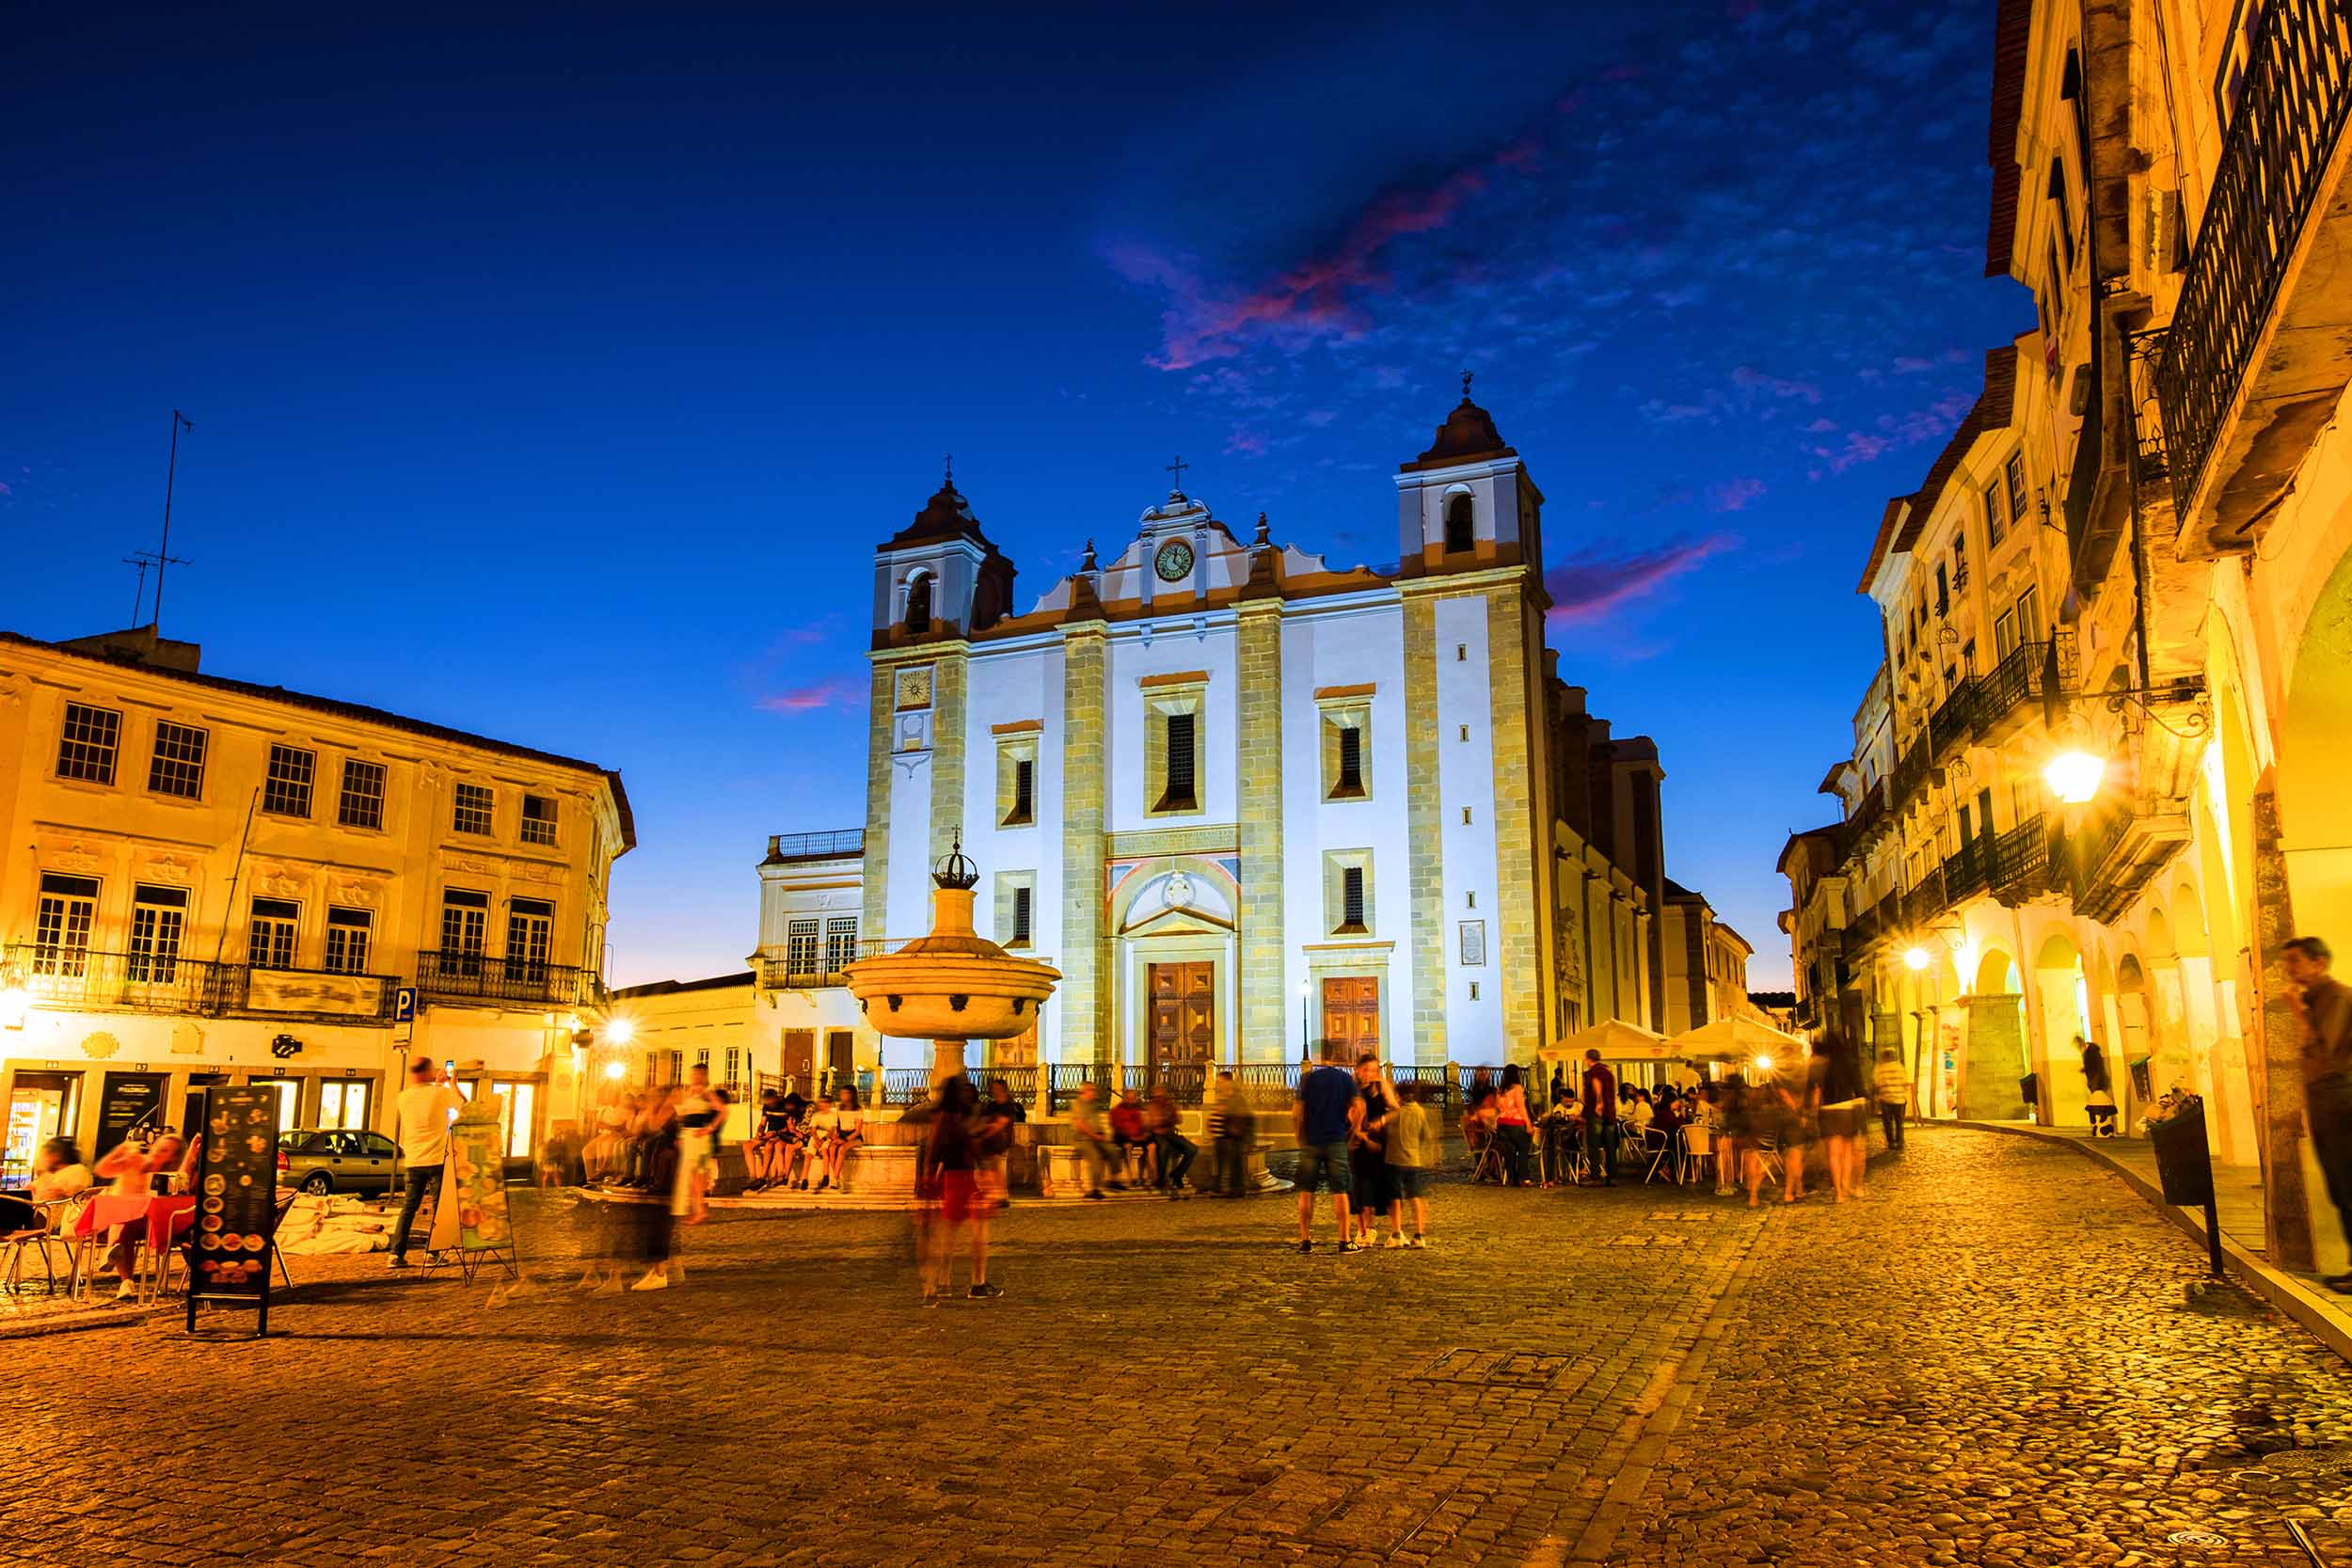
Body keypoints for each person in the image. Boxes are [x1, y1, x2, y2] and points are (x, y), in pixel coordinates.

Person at [2284, 936, 2352, 1291]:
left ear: (2319, 962)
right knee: (2338, 1186)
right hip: (2325, 1103)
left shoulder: (2337, 996)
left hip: (2341, 1100)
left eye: (2295, 961)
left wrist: (2298, 1013)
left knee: (2349, 1182)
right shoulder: (2313, 999)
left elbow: (2328, 1052)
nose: (2289, 970)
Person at [917, 1077, 1001, 1303]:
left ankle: (943, 1282)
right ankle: (977, 1283)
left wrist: (928, 1176)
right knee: (978, 1233)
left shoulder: (942, 1118)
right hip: (967, 1178)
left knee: (949, 1233)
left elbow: (933, 1150)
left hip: (952, 1179)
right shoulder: (961, 1119)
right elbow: (977, 1148)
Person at [389, 1056, 466, 1270]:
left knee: (408, 1208)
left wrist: (437, 1084)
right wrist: (451, 1083)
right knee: (437, 1209)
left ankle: (396, 1254)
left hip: (413, 1160)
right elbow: (461, 1104)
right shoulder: (440, 1093)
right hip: (436, 1158)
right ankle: (432, 1254)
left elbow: (426, 1106)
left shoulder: (403, 1097)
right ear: (428, 1071)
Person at [1293, 1040, 1362, 1253]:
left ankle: (1305, 1240)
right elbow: (1359, 1107)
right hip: (1336, 1140)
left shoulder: (1308, 1079)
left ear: (1317, 1056)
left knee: (1306, 1191)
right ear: (1335, 1056)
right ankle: (1344, 1240)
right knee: (1340, 1191)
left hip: (1311, 1141)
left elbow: (1296, 1112)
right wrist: (1354, 1131)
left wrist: (1299, 1136)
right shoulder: (1345, 1079)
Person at [1349, 1056, 1398, 1243]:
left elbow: (1395, 1109)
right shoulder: (1352, 1087)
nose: (1370, 1074)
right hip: (1358, 1140)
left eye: (1374, 1070)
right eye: (1366, 1069)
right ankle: (1361, 1230)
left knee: (1372, 1184)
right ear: (1358, 1070)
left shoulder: (1380, 1086)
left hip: (1377, 1140)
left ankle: (1371, 1228)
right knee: (1357, 1186)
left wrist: (1381, 1121)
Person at [1817, 1035, 1868, 1204]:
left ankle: (1838, 1192)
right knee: (1846, 1153)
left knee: (1833, 1154)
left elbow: (1815, 1088)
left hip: (1827, 1110)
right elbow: (1860, 1089)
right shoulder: (1850, 1063)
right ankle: (1846, 1186)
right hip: (1846, 1109)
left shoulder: (1822, 1065)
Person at [1387, 1081, 1438, 1246]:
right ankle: (1419, 1234)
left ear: (1399, 1096)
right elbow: (1425, 1136)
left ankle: (1396, 1233)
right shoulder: (1420, 1112)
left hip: (1395, 1159)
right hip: (1414, 1159)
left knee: (1395, 1197)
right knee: (1415, 1196)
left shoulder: (1397, 1113)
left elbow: (1385, 1130)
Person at [672, 1065, 723, 1224]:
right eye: (692, 1074)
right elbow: (682, 1116)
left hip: (700, 1139)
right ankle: (699, 1211)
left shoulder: (706, 1093)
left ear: (703, 1076)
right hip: (688, 1137)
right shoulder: (689, 1093)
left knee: (698, 1175)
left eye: (696, 1074)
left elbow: (723, 1111)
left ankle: (700, 1211)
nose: (693, 1077)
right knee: (692, 1176)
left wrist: (708, 1129)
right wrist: (680, 1135)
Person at [1205, 1070, 1257, 1196]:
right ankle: (1220, 1187)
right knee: (1224, 1163)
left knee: (1235, 1164)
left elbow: (1242, 1118)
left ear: (1229, 1083)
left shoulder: (1236, 1098)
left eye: (1220, 1082)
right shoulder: (1225, 1098)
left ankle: (1235, 1189)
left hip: (1234, 1137)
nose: (1218, 1085)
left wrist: (1247, 1138)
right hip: (1225, 1136)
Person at [1068, 1082, 1122, 1198]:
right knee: (1095, 1157)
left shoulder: (1093, 1104)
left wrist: (1102, 1134)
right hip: (1083, 1139)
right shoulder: (1078, 1104)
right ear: (1085, 1091)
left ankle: (1113, 1180)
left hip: (1096, 1137)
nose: (1094, 1092)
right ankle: (1094, 1188)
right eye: (1092, 1090)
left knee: (1113, 1150)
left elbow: (1097, 1121)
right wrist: (1095, 1135)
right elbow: (1080, 1124)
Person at [977, 1078, 1025, 1207]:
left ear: (1002, 1089)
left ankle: (1001, 1195)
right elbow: (986, 1121)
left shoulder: (1008, 1105)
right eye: (993, 1088)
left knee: (996, 1166)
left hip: (1000, 1140)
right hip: (992, 1140)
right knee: (993, 1167)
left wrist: (985, 1133)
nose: (994, 1090)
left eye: (996, 1088)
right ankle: (997, 1193)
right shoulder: (992, 1105)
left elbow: (1000, 1124)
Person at [1145, 1085, 1195, 1198]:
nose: (1160, 1097)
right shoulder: (1152, 1105)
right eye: (1158, 1094)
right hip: (1157, 1135)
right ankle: (1161, 1180)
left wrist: (1167, 1117)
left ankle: (1177, 1174)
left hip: (1170, 1134)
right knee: (1164, 1148)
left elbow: (1179, 1119)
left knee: (1192, 1149)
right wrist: (1168, 1118)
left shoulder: (1170, 1104)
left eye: (1162, 1094)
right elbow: (1155, 1123)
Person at [815, 1085, 866, 1194]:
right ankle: (837, 1179)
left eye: (846, 1093)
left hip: (854, 1136)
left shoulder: (858, 1109)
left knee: (842, 1149)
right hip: (841, 1134)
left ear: (852, 1095)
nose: (843, 1096)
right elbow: (835, 1125)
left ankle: (835, 1178)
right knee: (832, 1148)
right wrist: (835, 1137)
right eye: (842, 1093)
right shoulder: (839, 1108)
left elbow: (858, 1131)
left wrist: (845, 1140)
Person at [1581, 1049, 1618, 1187]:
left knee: (1594, 1144)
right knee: (1610, 1145)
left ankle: (1595, 1175)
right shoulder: (1608, 1072)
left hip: (1597, 1112)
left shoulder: (1593, 1073)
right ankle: (1612, 1175)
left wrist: (1599, 1102)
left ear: (1589, 1059)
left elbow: (1597, 1085)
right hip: (1610, 1113)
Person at [1493, 1064, 1534, 1187]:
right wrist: (1528, 1123)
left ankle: (1512, 1178)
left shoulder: (1500, 1090)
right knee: (1523, 1149)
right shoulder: (1517, 1088)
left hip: (1502, 1123)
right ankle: (1524, 1177)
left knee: (1509, 1151)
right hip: (1516, 1122)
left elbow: (1497, 1107)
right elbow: (1521, 1106)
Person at [1109, 1088, 1153, 1188]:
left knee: (1152, 1146)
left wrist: (1143, 1133)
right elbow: (1117, 1128)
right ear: (1124, 1099)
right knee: (1128, 1146)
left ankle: (1152, 1176)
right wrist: (1133, 1136)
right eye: (1129, 1098)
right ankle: (1131, 1175)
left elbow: (1144, 1125)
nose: (1131, 1101)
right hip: (1123, 1136)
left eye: (1133, 1098)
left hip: (1137, 1135)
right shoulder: (1116, 1110)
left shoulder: (1138, 1109)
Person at [30, 1136, 91, 1207]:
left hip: (55, 1215)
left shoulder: (77, 1171)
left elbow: (77, 1197)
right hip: (38, 1212)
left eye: (44, 1155)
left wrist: (62, 1194)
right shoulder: (49, 1174)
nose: (41, 1160)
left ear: (56, 1155)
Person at [1873, 1049, 1910, 1151]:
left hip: (1885, 1099)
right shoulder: (1900, 1067)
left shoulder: (1880, 1068)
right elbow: (1905, 1082)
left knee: (1888, 1122)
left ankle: (1891, 1142)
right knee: (1899, 1122)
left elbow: (1877, 1083)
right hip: (1899, 1099)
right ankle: (1900, 1141)